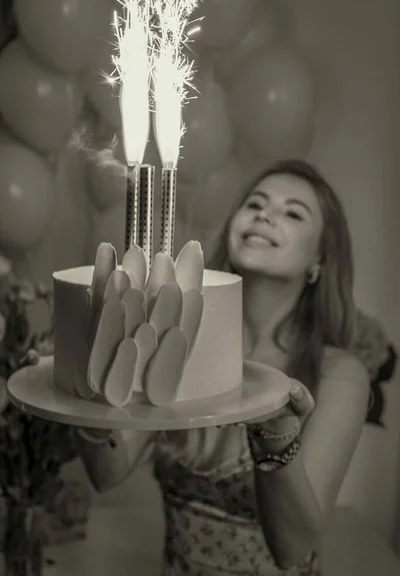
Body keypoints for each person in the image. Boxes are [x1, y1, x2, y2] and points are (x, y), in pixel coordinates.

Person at [76, 159, 371, 576]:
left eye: (292, 212)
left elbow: (292, 549)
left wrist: (276, 442)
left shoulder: (340, 375)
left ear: (319, 259)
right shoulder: (178, 342)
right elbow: (107, 472)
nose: (265, 215)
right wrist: (90, 381)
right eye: (255, 204)